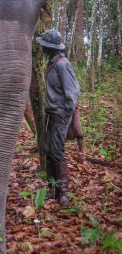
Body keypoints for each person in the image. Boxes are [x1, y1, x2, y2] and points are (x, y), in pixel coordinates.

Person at [36, 29, 80, 207]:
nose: (42, 49)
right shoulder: (53, 62)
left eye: (45, 47)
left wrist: (65, 116)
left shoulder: (62, 64)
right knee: (49, 152)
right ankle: (53, 189)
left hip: (60, 115)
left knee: (57, 152)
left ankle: (63, 193)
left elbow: (73, 92)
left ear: (51, 48)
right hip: (51, 114)